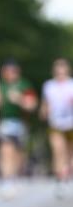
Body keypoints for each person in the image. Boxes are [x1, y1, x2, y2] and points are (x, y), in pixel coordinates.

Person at [0, 59, 37, 198]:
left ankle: (13, 177)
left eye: (13, 71)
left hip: (20, 123)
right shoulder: (0, 86)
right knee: (6, 151)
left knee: (18, 155)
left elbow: (32, 106)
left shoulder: (24, 85)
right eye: (7, 71)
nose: (10, 74)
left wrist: (19, 99)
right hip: (4, 123)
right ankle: (6, 181)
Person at [40, 57, 73, 197]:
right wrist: (43, 111)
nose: (60, 74)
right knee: (58, 151)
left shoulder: (71, 84)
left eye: (62, 71)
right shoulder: (49, 86)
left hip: (71, 123)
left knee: (69, 153)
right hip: (55, 123)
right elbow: (45, 103)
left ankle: (68, 176)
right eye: (58, 71)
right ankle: (60, 180)